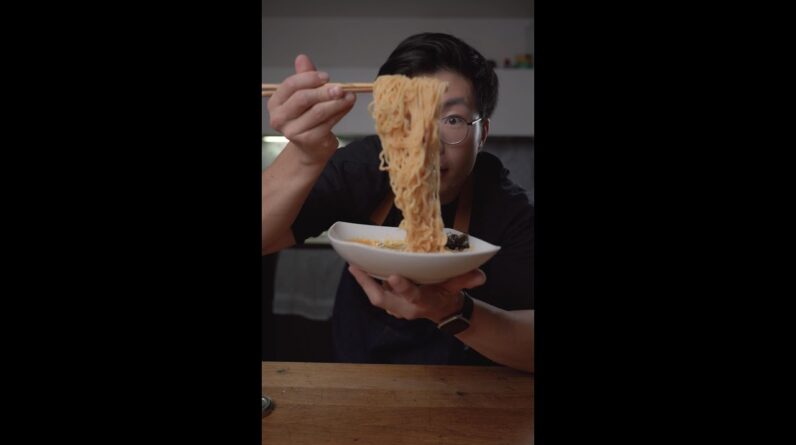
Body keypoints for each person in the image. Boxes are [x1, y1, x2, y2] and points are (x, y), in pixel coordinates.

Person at [262, 32, 533, 366]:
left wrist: (452, 311)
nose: (426, 145)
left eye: (452, 119)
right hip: (356, 375)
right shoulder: (366, 166)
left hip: (465, 386)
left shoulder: (509, 210)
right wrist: (305, 155)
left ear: (482, 134)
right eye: (407, 118)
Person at [348, 266, 534, 372]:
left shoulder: (519, 217)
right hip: (355, 364)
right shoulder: (360, 206)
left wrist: (450, 309)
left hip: (471, 383)